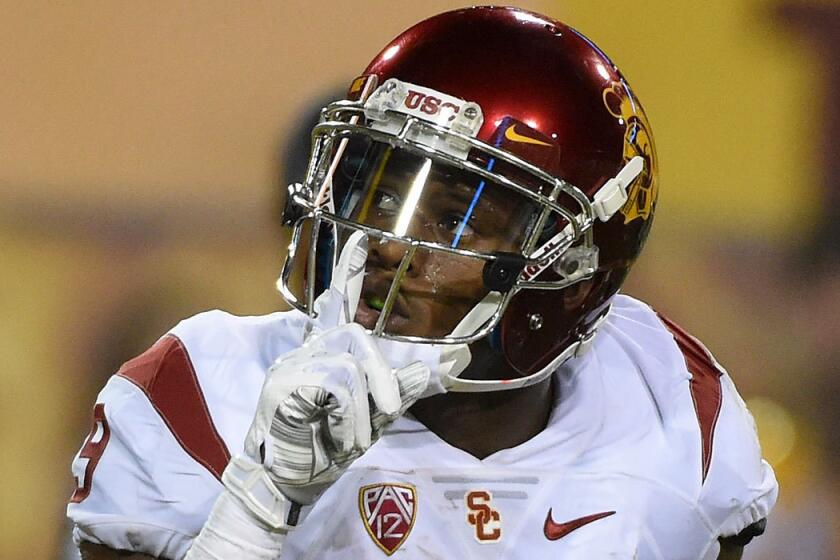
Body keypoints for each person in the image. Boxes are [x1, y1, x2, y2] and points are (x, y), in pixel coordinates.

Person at [67, 7, 777, 559]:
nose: (384, 243)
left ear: (567, 272)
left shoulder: (671, 410)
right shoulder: (200, 392)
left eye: (456, 222)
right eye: (376, 193)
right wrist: (255, 508)